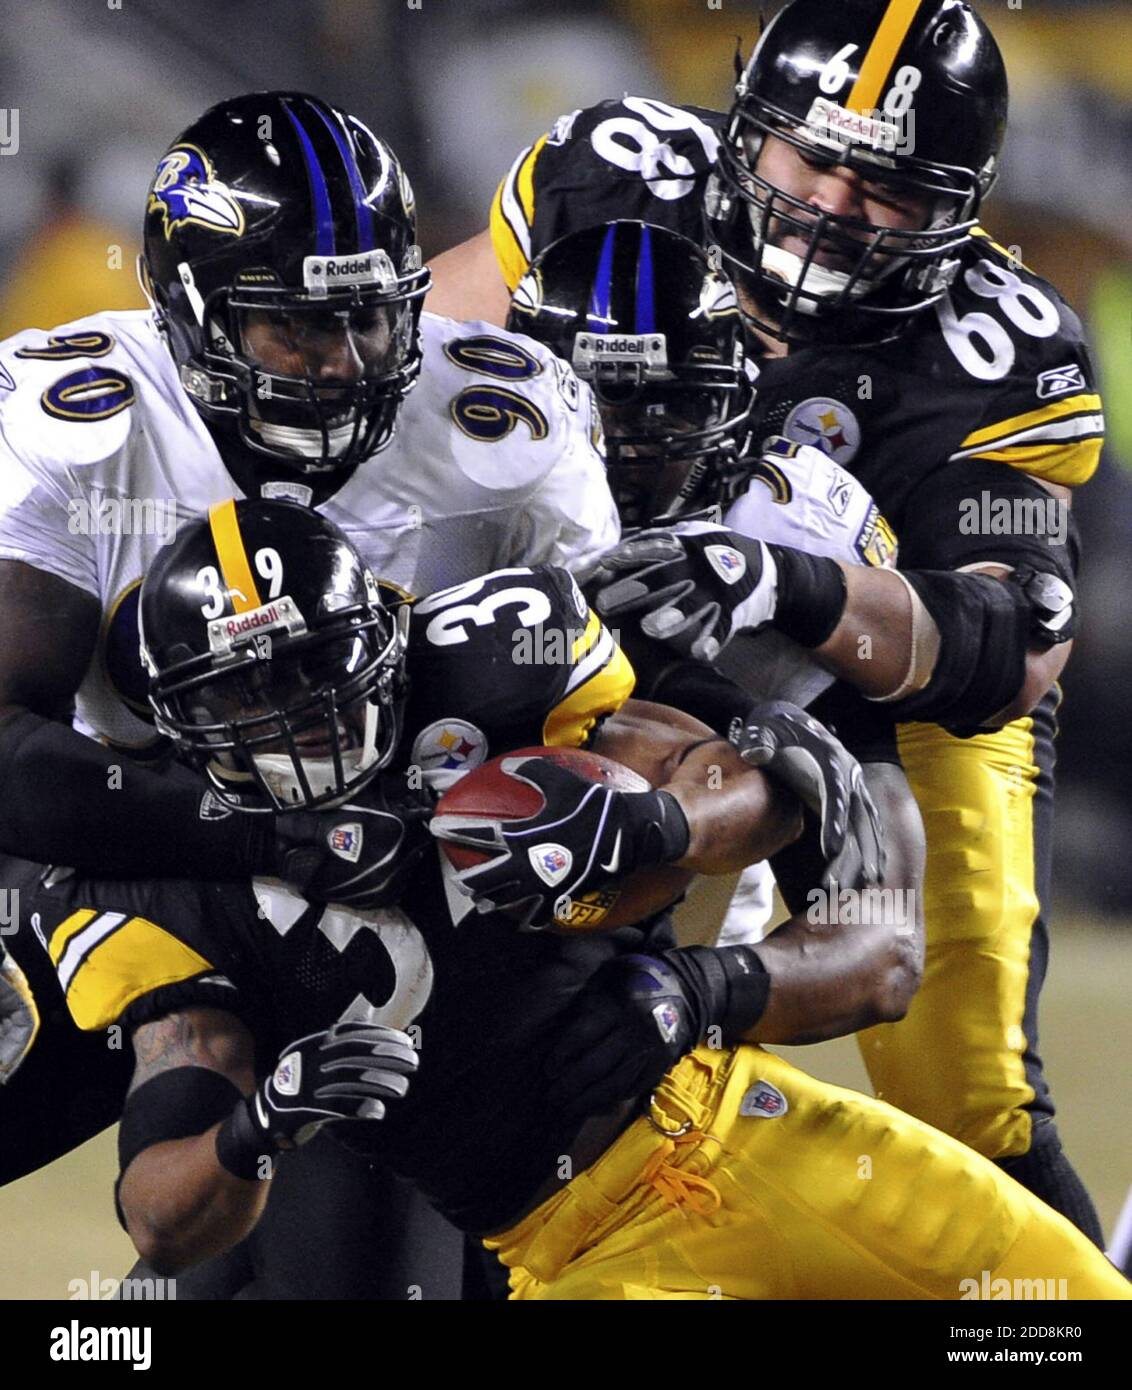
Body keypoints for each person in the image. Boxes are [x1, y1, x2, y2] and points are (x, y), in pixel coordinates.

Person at [41, 498, 1126, 1301]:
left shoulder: (486, 670)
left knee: (1063, 1303)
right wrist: (258, 1127)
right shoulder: (171, 884)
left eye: (315, 670)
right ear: (181, 735)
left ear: (378, 637)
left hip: (750, 1120)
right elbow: (160, 1214)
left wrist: (659, 834)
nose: (300, 718)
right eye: (247, 696)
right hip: (579, 1248)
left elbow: (742, 788)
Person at [427, 0, 1105, 1239]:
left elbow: (1009, 648)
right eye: (816, 158)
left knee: (966, 1089)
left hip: (887, 671)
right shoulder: (618, 174)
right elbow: (412, 366)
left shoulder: (995, 350)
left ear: (962, 200)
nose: (839, 205)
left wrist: (782, 582)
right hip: (622, 624)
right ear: (748, 131)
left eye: (889, 185)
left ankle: (1046, 1300)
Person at [0, 90, 618, 1295]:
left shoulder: (506, 427)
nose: (343, 366)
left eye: (371, 324)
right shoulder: (76, 425)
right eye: (294, 329)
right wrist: (270, 830)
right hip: (128, 859)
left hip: (416, 875)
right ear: (191, 314)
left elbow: (604, 707)